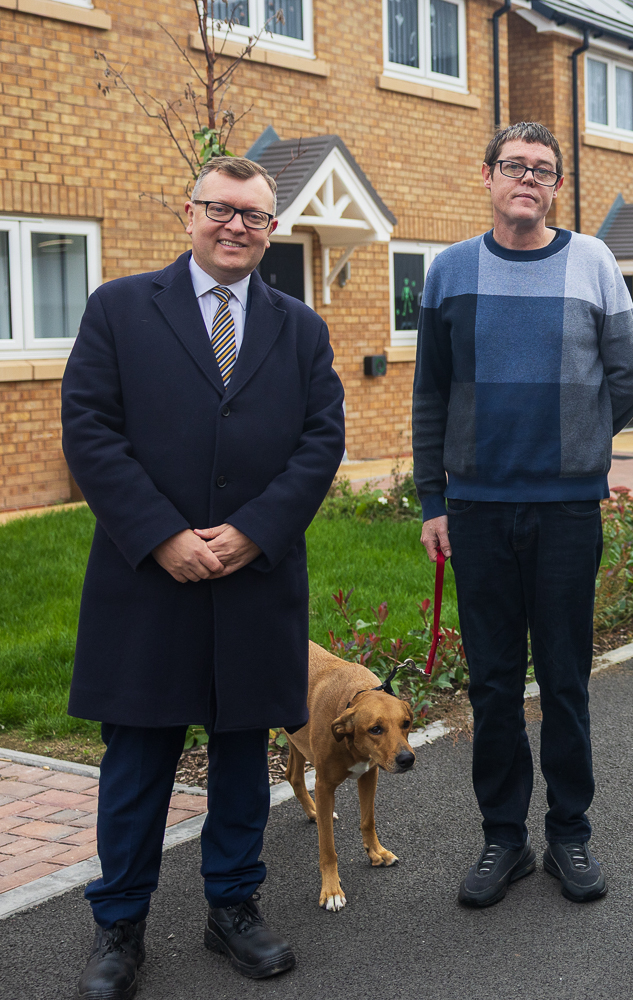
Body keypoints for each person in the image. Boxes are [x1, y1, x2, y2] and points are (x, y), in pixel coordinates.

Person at [61, 156, 345, 998]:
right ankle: (119, 927)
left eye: (254, 217)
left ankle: (234, 910)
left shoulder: (301, 328)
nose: (235, 227)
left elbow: (320, 442)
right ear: (189, 214)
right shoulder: (119, 308)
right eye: (221, 210)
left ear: (272, 230)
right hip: (147, 582)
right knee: (139, 761)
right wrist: (161, 537)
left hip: (255, 582)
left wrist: (256, 532)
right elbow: (90, 431)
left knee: (238, 758)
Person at [412, 121, 633, 909]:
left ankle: (569, 835)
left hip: (566, 511)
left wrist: (575, 440)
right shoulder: (448, 271)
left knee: (566, 679)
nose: (528, 179)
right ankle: (503, 839)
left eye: (543, 170)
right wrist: (434, 501)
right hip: (476, 511)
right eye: (514, 166)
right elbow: (430, 396)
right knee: (492, 684)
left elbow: (628, 377)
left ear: (554, 186)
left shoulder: (593, 263)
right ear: (486, 176)